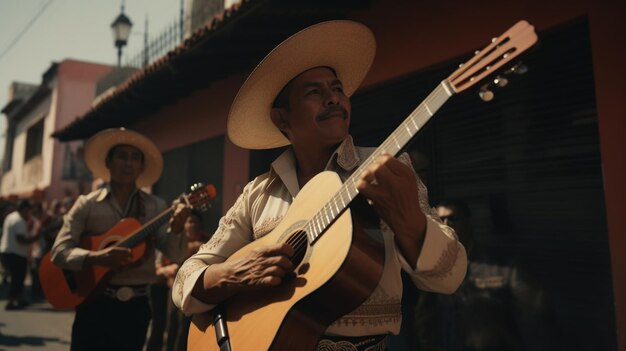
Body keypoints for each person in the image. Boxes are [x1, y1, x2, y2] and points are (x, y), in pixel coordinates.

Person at [172, 20, 468, 350]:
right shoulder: (257, 193)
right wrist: (231, 274)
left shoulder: (386, 170)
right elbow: (188, 275)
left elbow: (449, 277)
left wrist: (411, 221)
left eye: (338, 88)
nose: (333, 98)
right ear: (282, 119)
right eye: (315, 91)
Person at [50, 128, 190, 351]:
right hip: (93, 302)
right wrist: (96, 258)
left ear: (142, 167)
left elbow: (176, 253)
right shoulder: (87, 204)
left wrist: (178, 227)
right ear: (108, 162)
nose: (128, 164)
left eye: (135, 158)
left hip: (136, 306)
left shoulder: (156, 207)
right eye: (122, 156)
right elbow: (59, 251)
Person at [0, 199, 37, 310]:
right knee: (17, 278)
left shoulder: (11, 216)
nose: (29, 213)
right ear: (24, 209)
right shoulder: (20, 220)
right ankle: (11, 301)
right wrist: (34, 239)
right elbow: (21, 239)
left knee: (17, 277)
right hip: (16, 253)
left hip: (7, 251)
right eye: (28, 210)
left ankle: (19, 299)